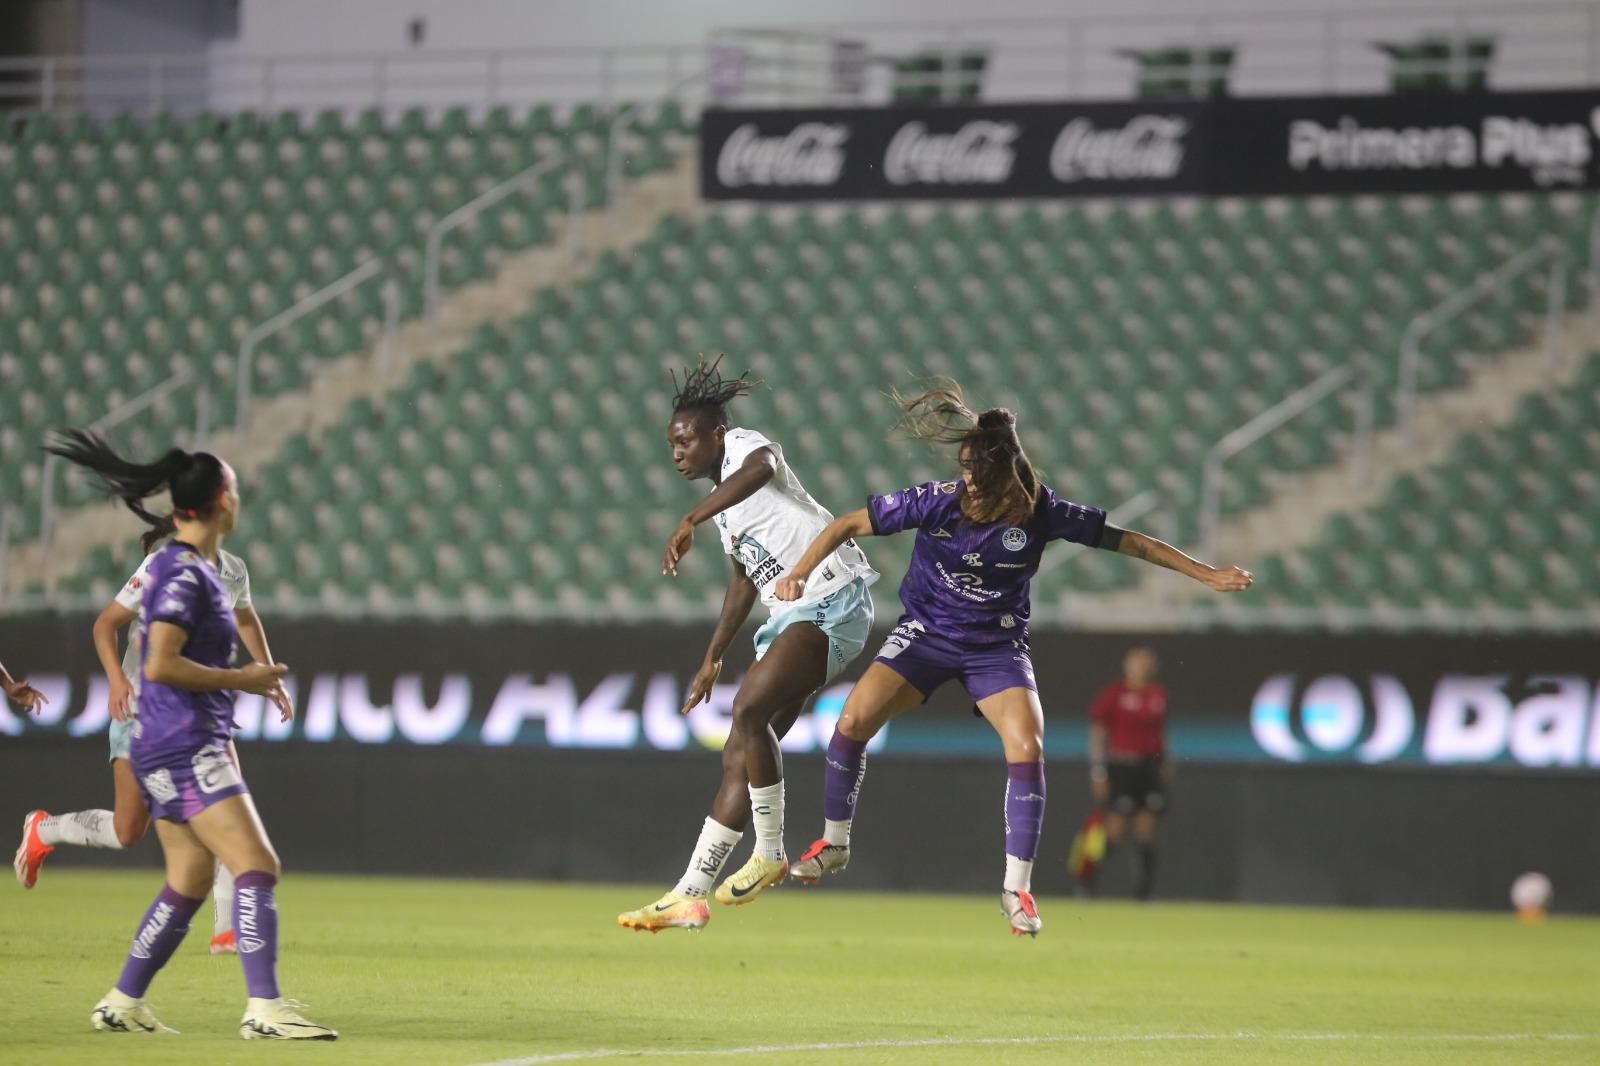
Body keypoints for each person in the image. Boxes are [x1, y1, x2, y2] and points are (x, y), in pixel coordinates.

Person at [774, 381, 1252, 936]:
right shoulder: (936, 501)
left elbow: (1130, 541)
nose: (967, 482)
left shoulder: (1042, 512)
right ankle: (834, 843)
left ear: (1006, 476)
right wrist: (800, 572)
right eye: (964, 470)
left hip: (995, 648)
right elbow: (846, 524)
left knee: (1028, 746)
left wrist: (1204, 573)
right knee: (852, 719)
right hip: (925, 634)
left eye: (977, 473)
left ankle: (1017, 889)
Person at [45, 429, 335, 1040]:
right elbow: (159, 665)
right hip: (184, 743)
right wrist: (243, 679)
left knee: (190, 879)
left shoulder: (199, 568)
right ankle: (265, 1009)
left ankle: (122, 1002)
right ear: (221, 501)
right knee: (256, 864)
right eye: (235, 488)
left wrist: (253, 675)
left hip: (164, 740)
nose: (239, 497)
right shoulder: (184, 573)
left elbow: (208, 639)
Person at [616, 357, 878, 933]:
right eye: (672, 444)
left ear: (717, 434)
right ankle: (690, 894)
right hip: (790, 615)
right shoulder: (725, 512)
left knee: (748, 710)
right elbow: (742, 584)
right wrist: (711, 658)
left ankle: (770, 851)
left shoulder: (744, 450)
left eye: (685, 440)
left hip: (832, 596)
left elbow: (763, 469)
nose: (677, 453)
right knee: (741, 751)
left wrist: (690, 517)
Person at [14, 523, 291, 958]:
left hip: (198, 714)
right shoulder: (160, 567)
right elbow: (105, 624)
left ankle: (226, 931)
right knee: (128, 830)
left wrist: (268, 671)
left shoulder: (233, 570)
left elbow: (245, 616)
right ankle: (44, 829)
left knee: (230, 808)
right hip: (141, 709)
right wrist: (116, 681)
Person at [1088, 646, 1169, 901]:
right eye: (1137, 662)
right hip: (1122, 766)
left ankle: (1143, 893)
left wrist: (1166, 762)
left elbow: (1160, 732)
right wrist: (1099, 771)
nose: (1141, 667)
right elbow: (1098, 732)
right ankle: (1087, 879)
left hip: (1149, 767)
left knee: (1147, 828)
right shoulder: (1115, 694)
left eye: (1146, 663)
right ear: (1127, 666)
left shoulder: (1158, 695)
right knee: (1115, 829)